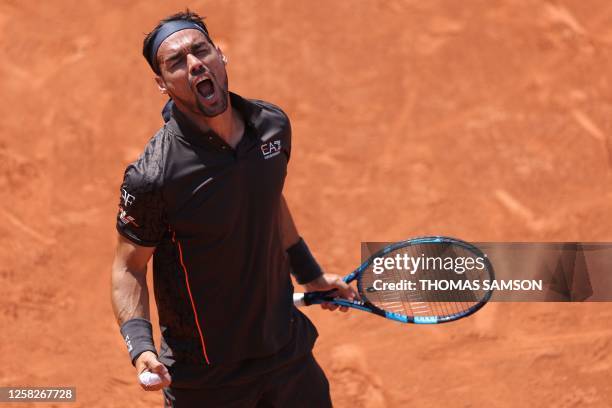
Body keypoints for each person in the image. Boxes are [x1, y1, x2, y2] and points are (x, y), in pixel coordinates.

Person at [110, 9, 357, 407]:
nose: (194, 64)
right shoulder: (155, 176)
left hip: (285, 352)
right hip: (207, 378)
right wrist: (142, 349)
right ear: (161, 83)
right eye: (176, 62)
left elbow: (268, 198)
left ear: (219, 55)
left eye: (200, 50)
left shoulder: (271, 127)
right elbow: (128, 267)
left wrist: (309, 273)